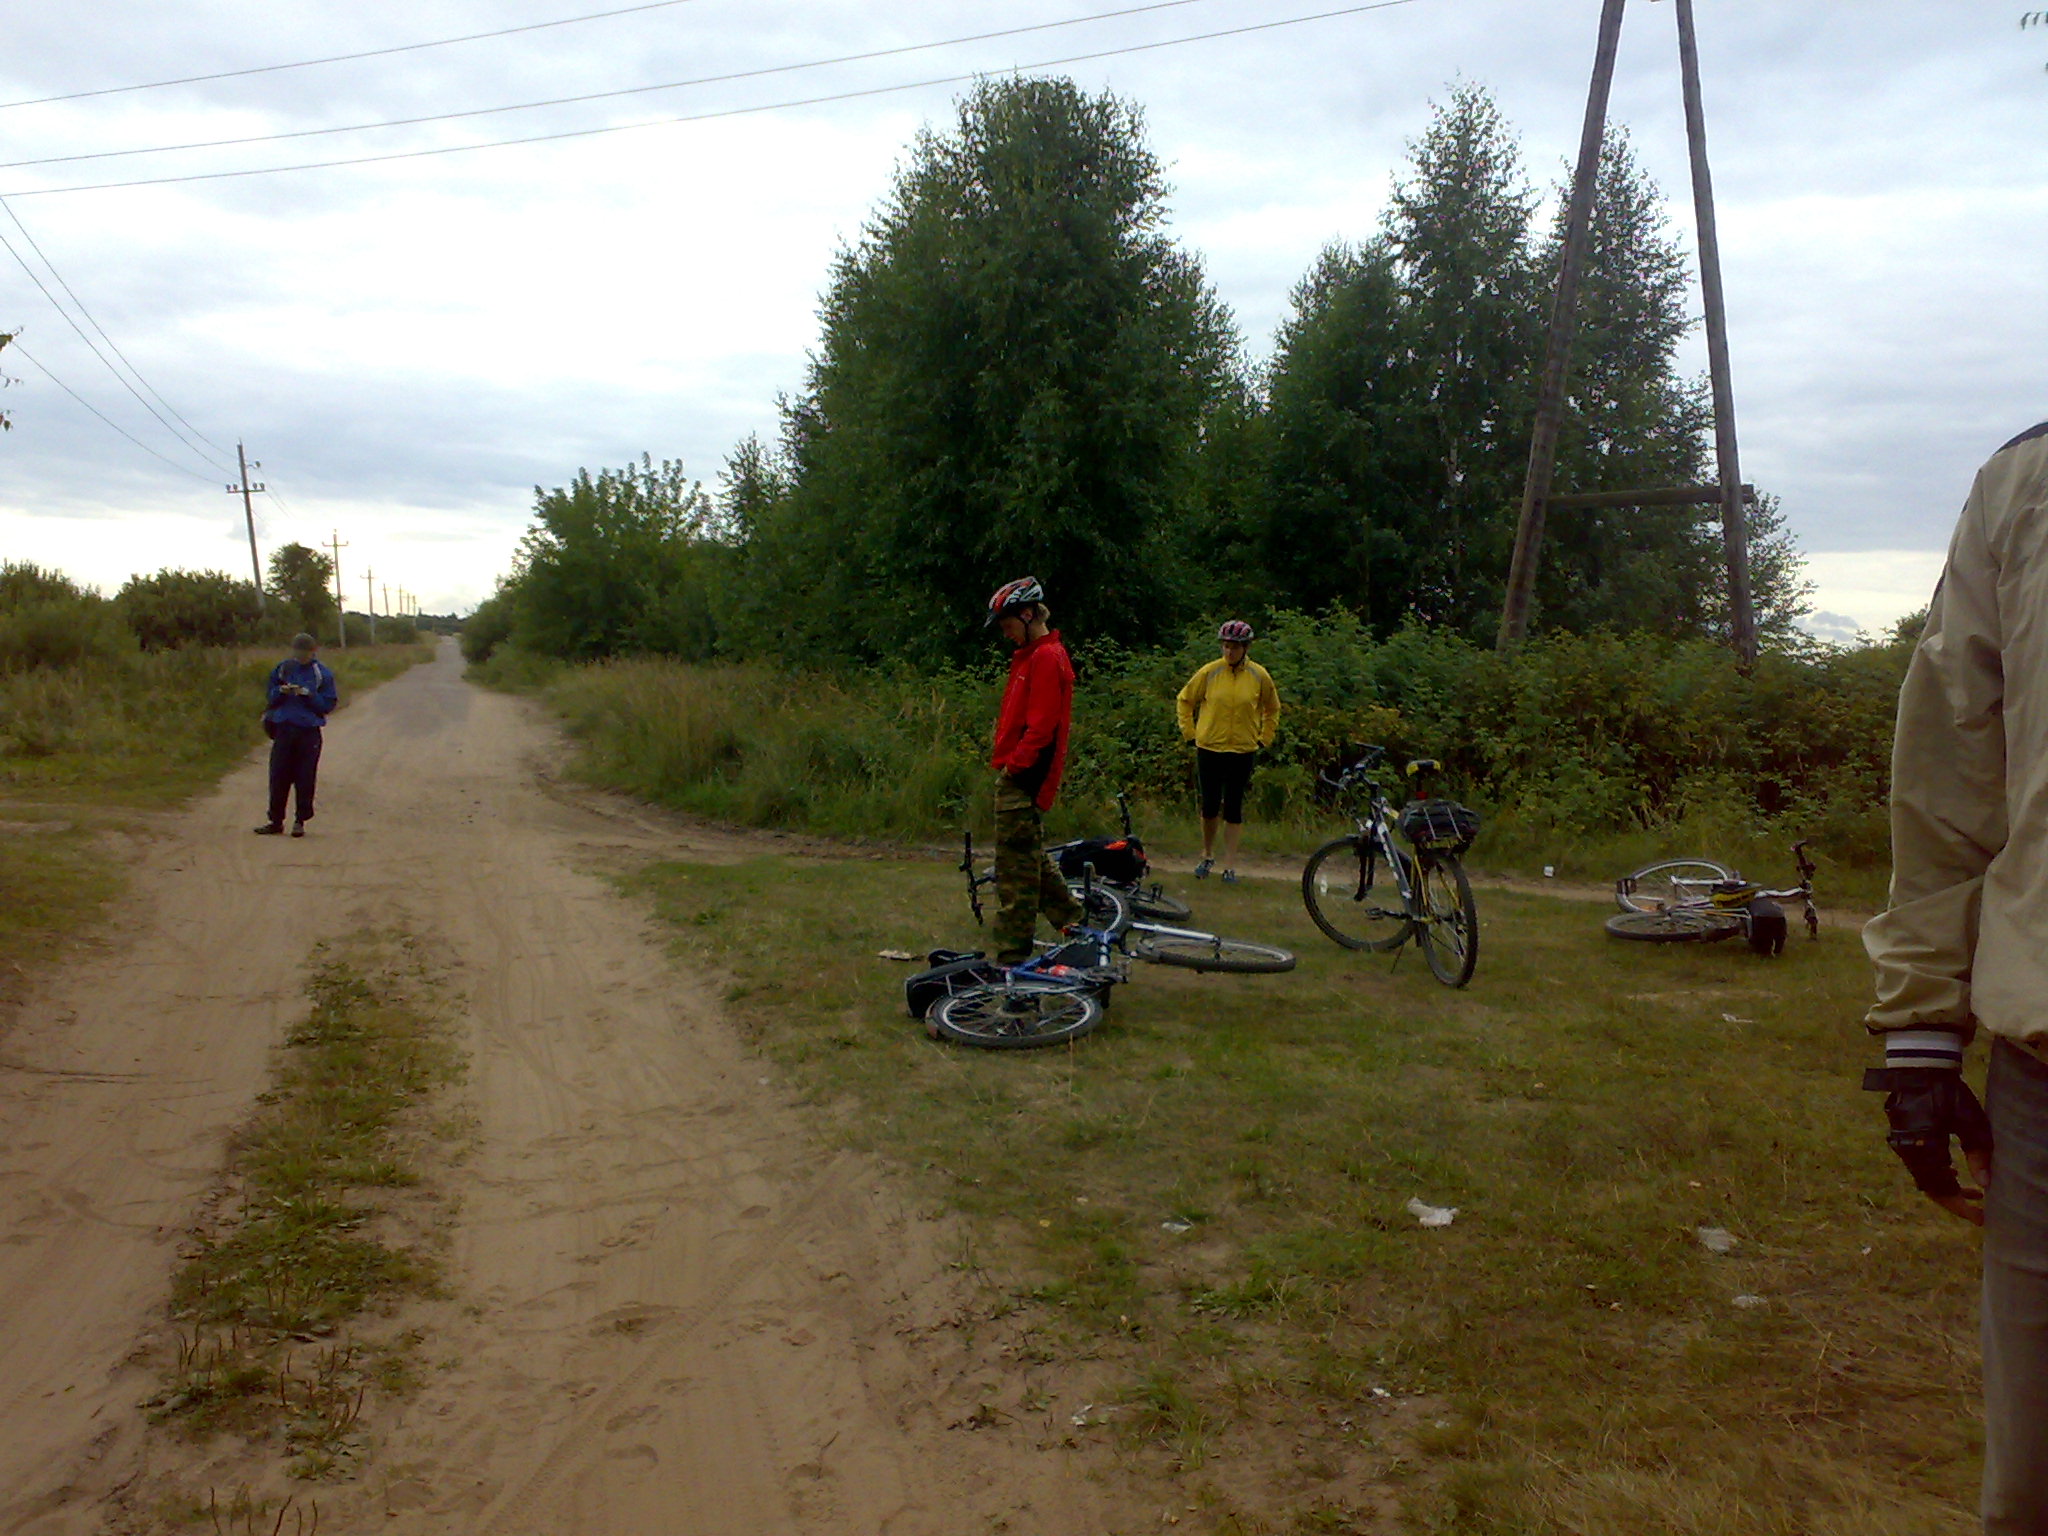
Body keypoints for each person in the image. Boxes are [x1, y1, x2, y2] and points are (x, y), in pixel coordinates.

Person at [1862, 421, 2048, 1535]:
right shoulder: (2025, 482)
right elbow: (1947, 773)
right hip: (2046, 1083)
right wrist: (1920, 1042)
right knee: (2031, 1490)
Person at [985, 576, 1083, 965]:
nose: (1005, 633)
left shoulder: (1046, 657)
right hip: (1019, 776)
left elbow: (1042, 728)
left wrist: (1015, 768)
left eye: (1008, 624)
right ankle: (1077, 925)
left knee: (1015, 877)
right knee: (1030, 859)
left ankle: (1011, 957)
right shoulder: (1033, 655)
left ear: (1027, 615)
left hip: (1023, 780)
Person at [1175, 620, 1280, 883]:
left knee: (1233, 807)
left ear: (1245, 648)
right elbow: (1185, 700)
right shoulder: (1209, 672)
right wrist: (1189, 733)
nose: (1229, 651)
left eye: (1234, 647)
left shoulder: (1259, 675)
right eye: (1225, 646)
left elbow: (1272, 708)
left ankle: (1230, 865)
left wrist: (1265, 738)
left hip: (1243, 749)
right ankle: (1207, 855)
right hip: (1210, 746)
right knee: (1210, 805)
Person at [256, 632, 337, 837]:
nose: (300, 656)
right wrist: (281, 691)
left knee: (305, 777)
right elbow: (270, 696)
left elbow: (327, 705)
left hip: (308, 731)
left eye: (304, 653)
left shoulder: (322, 673)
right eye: (297, 652)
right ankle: (275, 821)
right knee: (278, 776)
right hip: (283, 729)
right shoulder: (283, 668)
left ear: (313, 651)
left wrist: (308, 695)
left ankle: (300, 821)